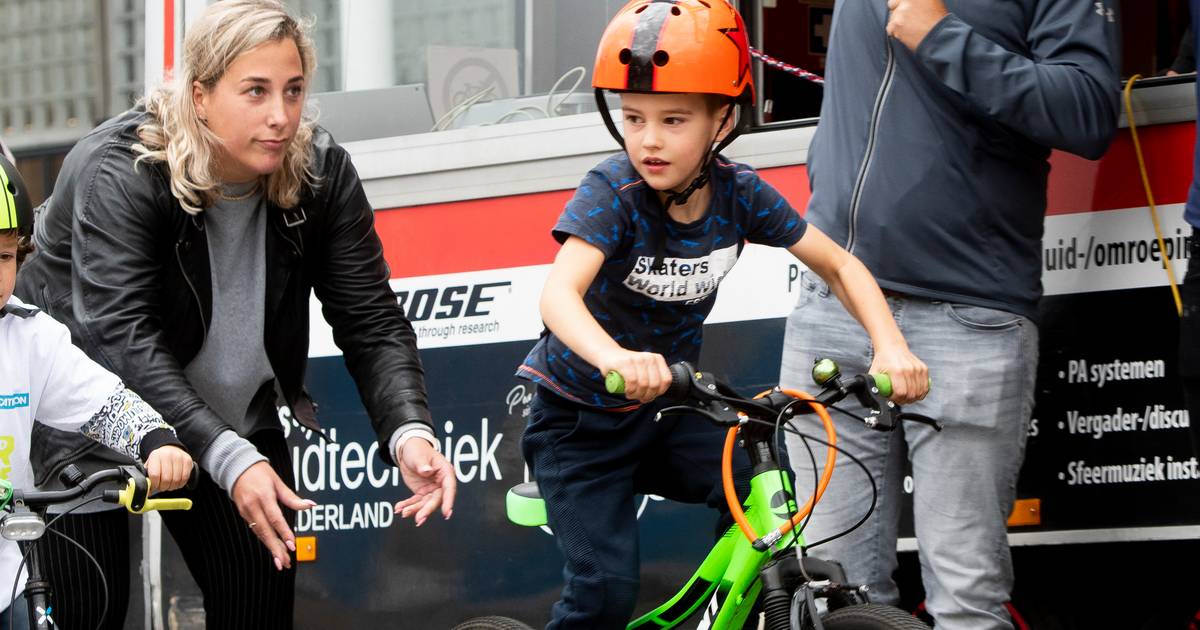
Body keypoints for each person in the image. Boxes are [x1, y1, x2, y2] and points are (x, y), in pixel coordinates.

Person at [14, 2, 456, 628]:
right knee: (90, 613)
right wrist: (230, 458)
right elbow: (121, 341)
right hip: (82, 429)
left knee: (259, 609)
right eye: (255, 91)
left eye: (294, 90)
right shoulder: (121, 169)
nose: (280, 116)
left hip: (227, 419)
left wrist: (409, 430)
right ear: (200, 95)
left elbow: (372, 319)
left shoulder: (319, 172)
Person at [516, 2, 928, 628]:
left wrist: (890, 346)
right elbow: (558, 296)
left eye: (673, 119)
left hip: (667, 411)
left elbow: (839, 265)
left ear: (722, 120)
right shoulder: (613, 192)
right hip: (580, 424)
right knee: (603, 590)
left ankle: (729, 611)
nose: (648, 140)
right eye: (633, 118)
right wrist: (614, 358)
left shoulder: (739, 194)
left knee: (763, 480)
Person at [779, 1, 1120, 628]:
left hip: (968, 316)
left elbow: (1089, 111)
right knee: (830, 594)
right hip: (836, 301)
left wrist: (941, 36)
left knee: (966, 601)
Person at [0, 155, 194, 630]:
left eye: (4, 256)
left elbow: (105, 403)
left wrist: (155, 439)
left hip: (8, 578)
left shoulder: (29, 337)